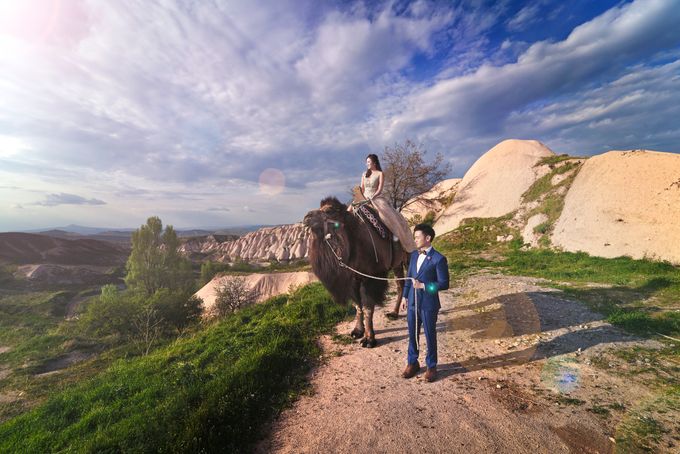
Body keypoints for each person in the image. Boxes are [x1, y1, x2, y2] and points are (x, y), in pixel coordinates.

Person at [400, 223, 449, 382]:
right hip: (413, 303)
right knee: (412, 334)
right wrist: (405, 297)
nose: (415, 240)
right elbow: (408, 278)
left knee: (429, 335)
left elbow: (444, 284)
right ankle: (412, 363)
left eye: (417, 237)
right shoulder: (414, 255)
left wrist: (424, 286)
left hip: (429, 304)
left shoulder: (439, 259)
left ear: (427, 238)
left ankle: (431, 366)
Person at [355, 154, 417, 253]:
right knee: (350, 210)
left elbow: (379, 189)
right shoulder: (364, 174)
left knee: (386, 216)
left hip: (375, 198)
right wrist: (359, 196)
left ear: (374, 163)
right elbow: (362, 188)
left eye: (369, 162)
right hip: (364, 198)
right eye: (366, 162)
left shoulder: (380, 174)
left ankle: (396, 235)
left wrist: (372, 197)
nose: (367, 164)